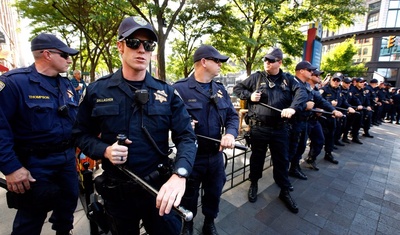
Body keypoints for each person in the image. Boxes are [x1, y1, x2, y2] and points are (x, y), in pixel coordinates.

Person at [72, 16, 197, 235]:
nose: (141, 50)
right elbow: (80, 134)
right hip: (118, 194)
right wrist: (106, 150)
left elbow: (187, 137)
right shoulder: (96, 91)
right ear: (120, 46)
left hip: (158, 190)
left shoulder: (166, 92)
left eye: (148, 45)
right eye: (133, 43)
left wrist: (180, 174)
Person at [0, 33, 80, 235]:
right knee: (31, 218)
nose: (69, 59)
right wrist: (11, 168)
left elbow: (76, 121)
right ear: (47, 54)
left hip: (67, 160)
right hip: (34, 164)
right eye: (64, 55)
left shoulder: (67, 85)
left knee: (67, 210)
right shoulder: (14, 84)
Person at [173, 45, 239, 235]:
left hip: (215, 156)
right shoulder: (179, 89)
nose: (220, 65)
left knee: (214, 193)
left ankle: (209, 222)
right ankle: (187, 224)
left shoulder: (220, 90)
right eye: (217, 61)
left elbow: (232, 117)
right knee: (188, 196)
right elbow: (166, 121)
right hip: (191, 157)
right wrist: (183, 124)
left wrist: (230, 134)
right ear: (203, 62)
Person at [233, 48, 308, 214]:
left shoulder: (288, 79)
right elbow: (237, 89)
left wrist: (293, 108)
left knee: (281, 160)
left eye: (271, 60)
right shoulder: (256, 77)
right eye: (266, 60)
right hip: (259, 128)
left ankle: (284, 190)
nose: (267, 62)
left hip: (280, 128)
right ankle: (254, 183)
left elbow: (301, 93)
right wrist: (249, 95)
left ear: (279, 62)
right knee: (257, 158)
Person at [288, 64, 342, 178]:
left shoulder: (307, 86)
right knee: (292, 148)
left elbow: (320, 101)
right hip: (293, 122)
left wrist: (333, 110)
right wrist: (305, 105)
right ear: (301, 71)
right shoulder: (291, 83)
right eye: (311, 71)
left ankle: (294, 167)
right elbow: (288, 102)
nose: (313, 74)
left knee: (301, 147)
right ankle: (286, 174)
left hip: (305, 121)